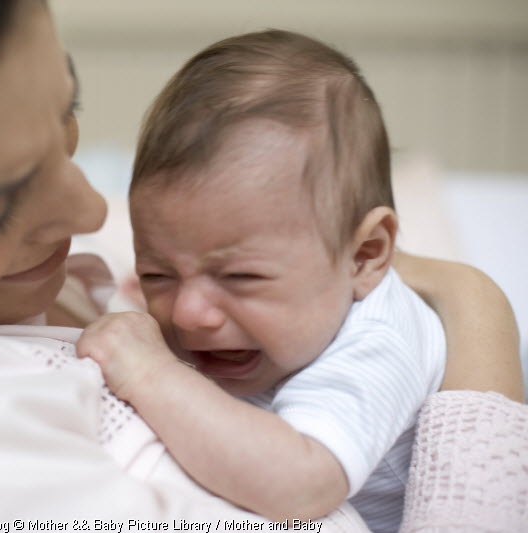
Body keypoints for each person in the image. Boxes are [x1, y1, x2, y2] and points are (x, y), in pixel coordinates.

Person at [0, 2, 522, 532]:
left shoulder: (57, 285)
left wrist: (466, 296)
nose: (90, 211)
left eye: (66, 113)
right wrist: (471, 306)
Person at [75, 30, 516, 533]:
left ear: (366, 256)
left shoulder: (378, 341)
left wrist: (151, 372)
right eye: (161, 272)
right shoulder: (261, 316)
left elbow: (301, 484)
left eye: (241, 276)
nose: (187, 314)